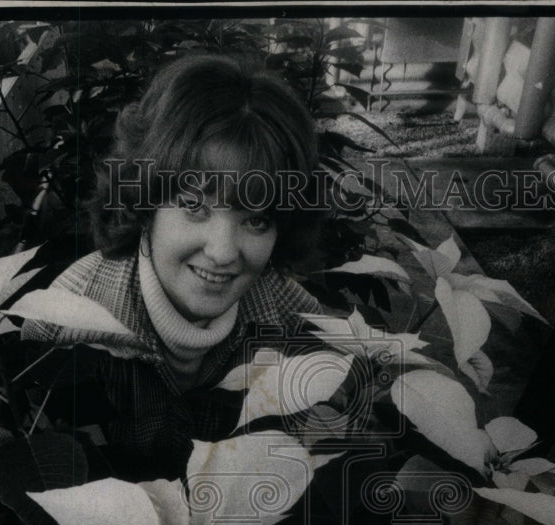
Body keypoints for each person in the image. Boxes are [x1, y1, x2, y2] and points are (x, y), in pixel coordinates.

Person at [21, 53, 327, 479]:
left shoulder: (297, 324)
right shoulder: (61, 323)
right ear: (146, 202)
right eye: (193, 205)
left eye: (256, 219)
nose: (222, 252)